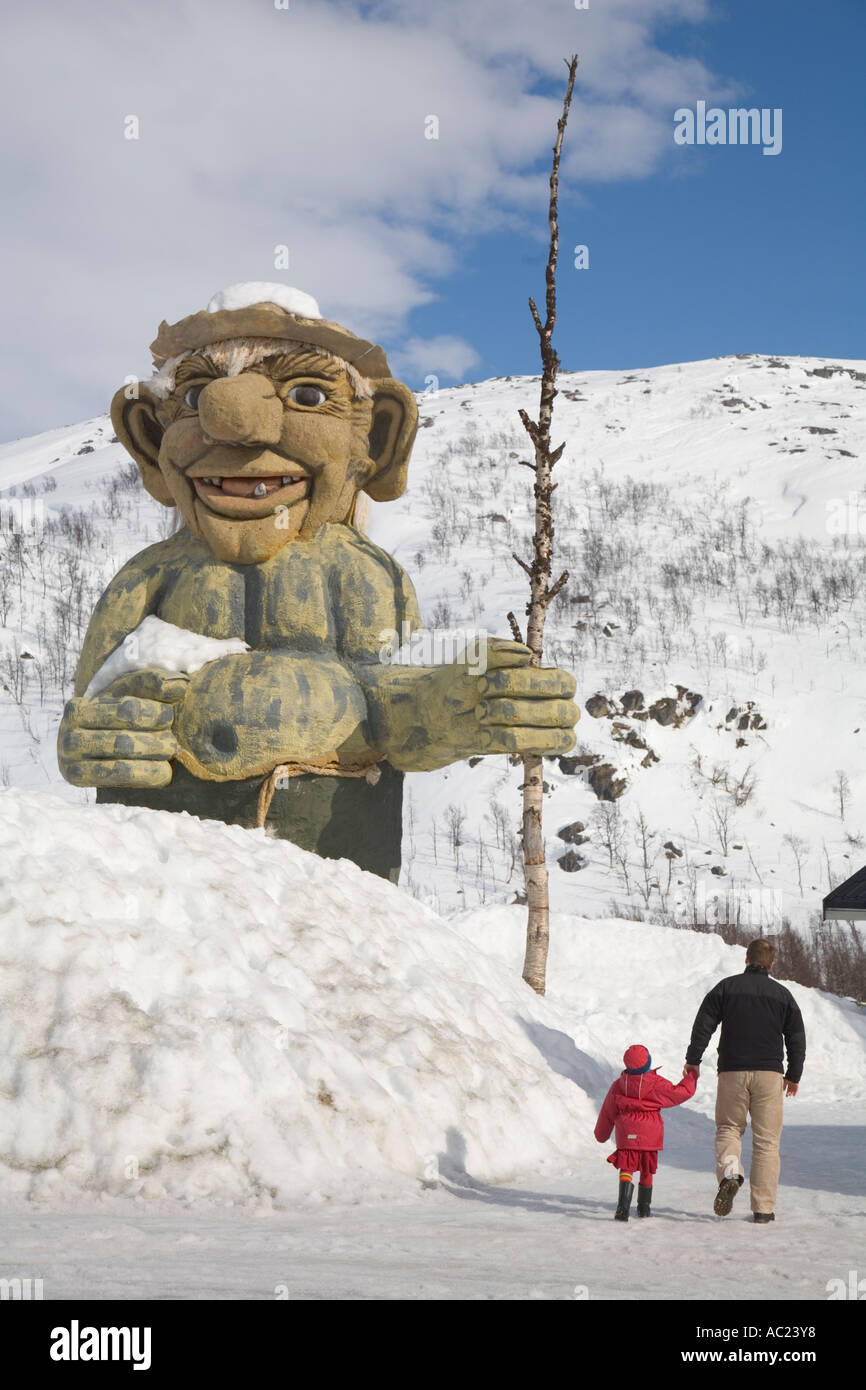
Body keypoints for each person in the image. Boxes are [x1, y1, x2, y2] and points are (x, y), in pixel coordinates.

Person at [684, 938, 806, 1224]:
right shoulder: (783, 995)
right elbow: (797, 1039)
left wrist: (693, 1059)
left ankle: (730, 1174)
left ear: (747, 960)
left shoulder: (726, 987)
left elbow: (704, 1023)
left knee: (728, 1128)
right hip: (769, 1076)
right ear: (771, 964)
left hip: (732, 1073)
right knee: (766, 1143)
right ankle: (763, 1209)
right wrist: (794, 1074)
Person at [594, 1044, 697, 1221]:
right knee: (646, 1169)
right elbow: (679, 1093)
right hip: (650, 1135)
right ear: (648, 1063)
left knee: (627, 1167)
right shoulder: (656, 1083)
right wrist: (691, 1076)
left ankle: (622, 1207)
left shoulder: (618, 1085)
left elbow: (607, 1112)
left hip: (627, 1134)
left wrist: (601, 1134)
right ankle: (644, 1208)